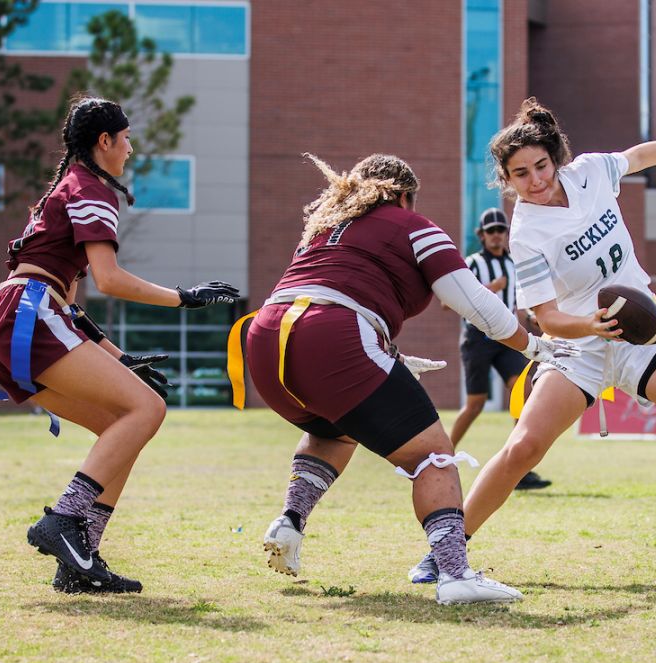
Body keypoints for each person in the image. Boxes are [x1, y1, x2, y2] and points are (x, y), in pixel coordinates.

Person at [407, 98, 656, 583]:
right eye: (521, 174)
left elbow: (642, 156)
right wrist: (593, 326)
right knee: (523, 448)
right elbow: (546, 317)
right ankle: (447, 552)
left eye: (541, 165)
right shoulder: (525, 233)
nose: (537, 180)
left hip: (639, 335)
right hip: (579, 348)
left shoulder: (590, 173)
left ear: (556, 158)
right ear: (507, 180)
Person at [241, 152, 579, 605]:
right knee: (435, 455)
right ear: (403, 196)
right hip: (334, 336)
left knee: (335, 432)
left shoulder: (325, 227)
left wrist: (382, 351)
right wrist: (532, 345)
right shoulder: (409, 224)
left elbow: (330, 291)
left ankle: (290, 521)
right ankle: (456, 575)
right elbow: (474, 301)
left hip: (264, 341)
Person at [0, 96, 239, 594]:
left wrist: (119, 358)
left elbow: (69, 303)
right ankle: (64, 521)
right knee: (148, 410)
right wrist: (184, 298)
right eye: (127, 138)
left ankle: (80, 558)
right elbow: (108, 280)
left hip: (14, 319)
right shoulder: (91, 188)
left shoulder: (70, 186)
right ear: (105, 141)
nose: (131, 149)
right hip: (29, 314)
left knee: (121, 426)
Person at [449, 207, 551, 491]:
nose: (496, 236)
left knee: (523, 392)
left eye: (501, 230)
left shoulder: (514, 264)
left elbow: (522, 301)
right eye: (490, 231)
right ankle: (440, 457)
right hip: (476, 338)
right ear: (481, 236)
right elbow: (448, 301)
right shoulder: (471, 263)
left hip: (506, 337)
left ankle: (520, 467)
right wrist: (490, 288)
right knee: (475, 405)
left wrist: (531, 317)